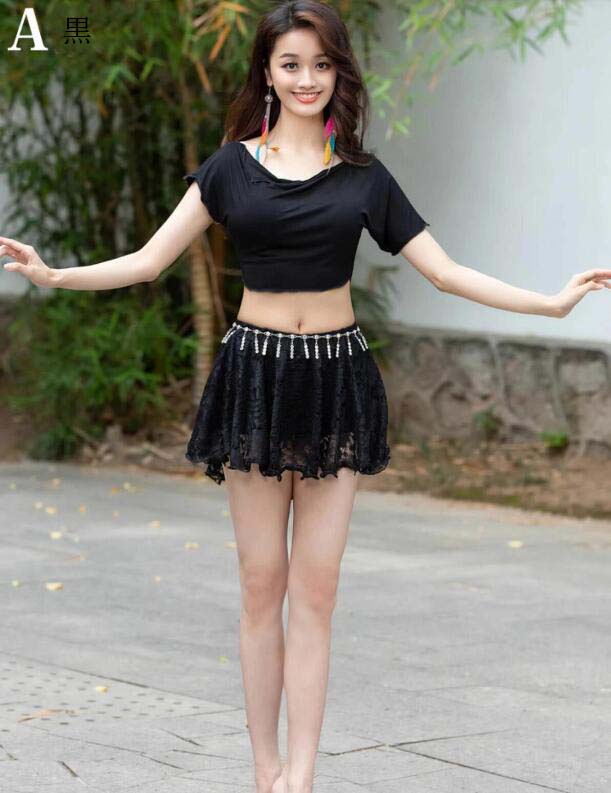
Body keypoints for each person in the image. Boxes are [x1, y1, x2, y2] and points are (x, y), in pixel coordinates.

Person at [2, 2, 610, 791]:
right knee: (262, 586)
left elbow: (446, 271)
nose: (306, 79)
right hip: (254, 376)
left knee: (315, 591)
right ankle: (265, 771)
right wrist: (54, 274)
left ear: (338, 73)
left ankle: (302, 775)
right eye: (290, 63)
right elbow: (149, 260)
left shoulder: (363, 177)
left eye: (321, 64)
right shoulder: (229, 168)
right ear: (266, 70)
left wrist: (550, 304)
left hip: (334, 381)